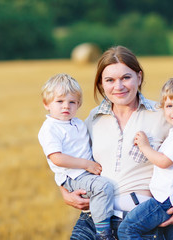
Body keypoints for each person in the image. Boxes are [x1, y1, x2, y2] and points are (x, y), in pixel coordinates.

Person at [59, 46, 173, 240]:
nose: (118, 86)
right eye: (110, 80)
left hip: (139, 225)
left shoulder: (163, 115)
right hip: (93, 221)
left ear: (139, 77)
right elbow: (64, 159)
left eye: (126, 78)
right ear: (101, 84)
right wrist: (64, 192)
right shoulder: (93, 119)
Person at [117, 77, 173, 240]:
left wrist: (144, 146)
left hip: (166, 200)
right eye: (169, 106)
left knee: (127, 230)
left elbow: (164, 161)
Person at [38, 73, 115, 240]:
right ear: (46, 104)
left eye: (72, 102)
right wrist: (86, 164)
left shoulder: (78, 123)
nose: (66, 106)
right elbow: (57, 158)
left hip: (83, 173)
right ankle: (103, 233)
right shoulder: (50, 128)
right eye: (59, 101)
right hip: (73, 176)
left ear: (78, 104)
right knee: (104, 187)